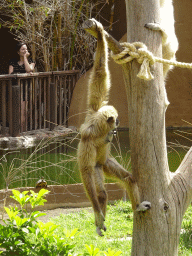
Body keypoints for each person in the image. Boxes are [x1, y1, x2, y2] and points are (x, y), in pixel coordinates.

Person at [8, 42, 35, 132]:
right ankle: (14, 130)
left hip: (25, 89)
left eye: (26, 49)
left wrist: (25, 58)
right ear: (18, 52)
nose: (25, 51)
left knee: (23, 111)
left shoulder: (31, 61)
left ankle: (22, 131)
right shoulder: (13, 61)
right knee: (14, 111)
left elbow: (29, 69)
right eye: (23, 49)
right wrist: (21, 74)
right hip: (14, 88)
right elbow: (10, 74)